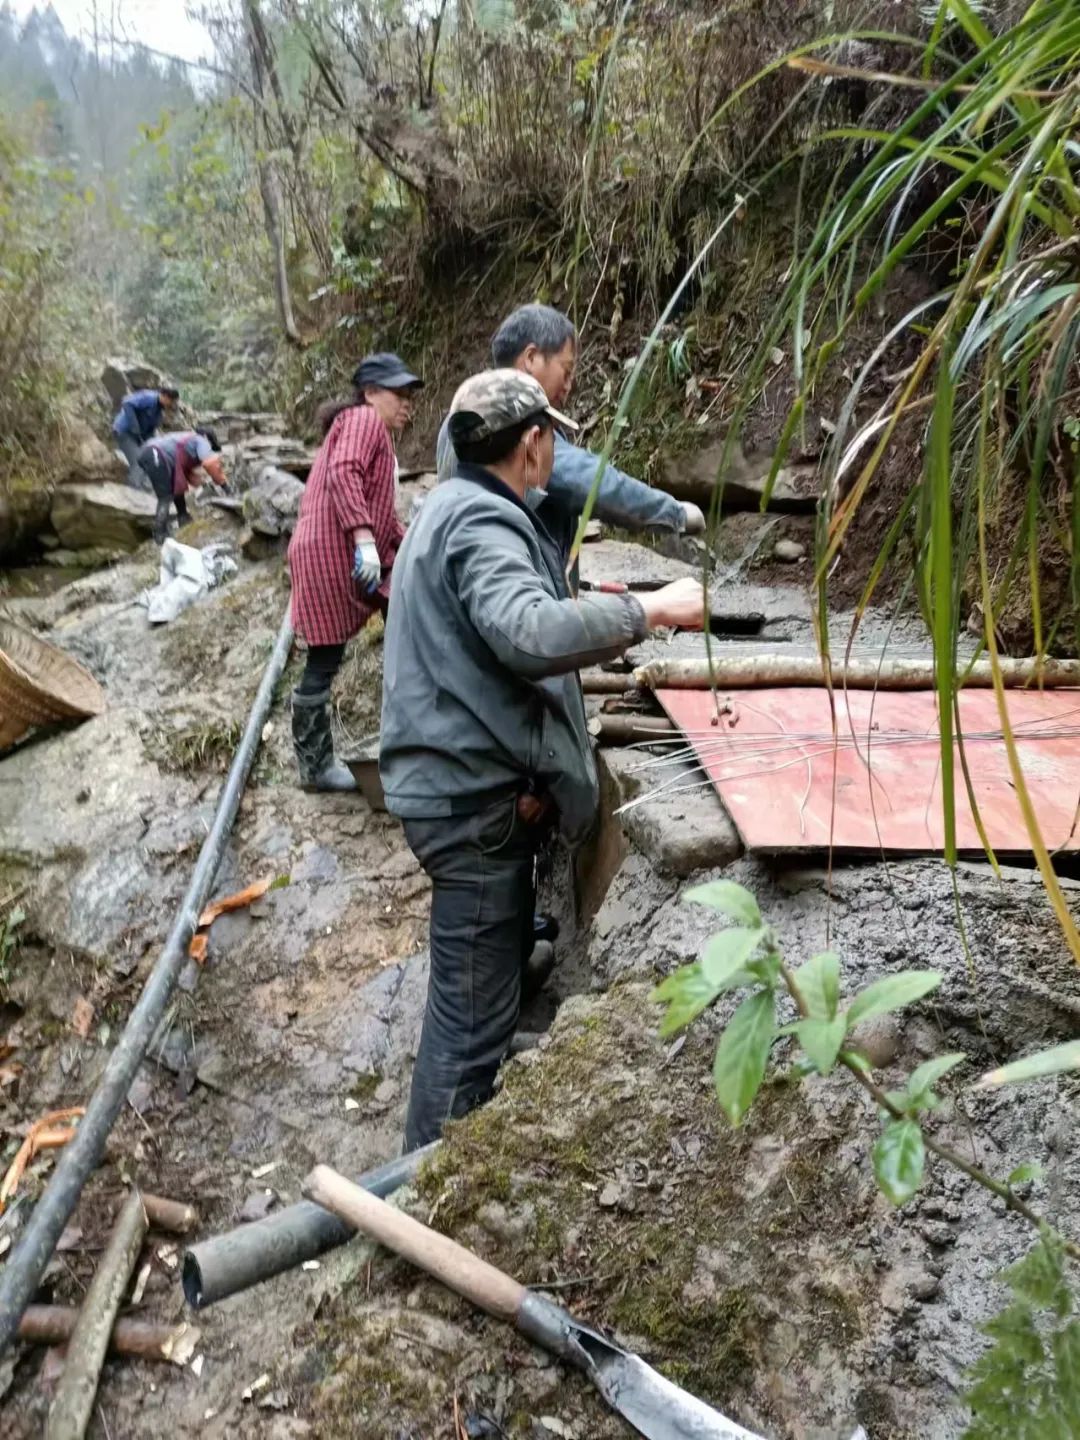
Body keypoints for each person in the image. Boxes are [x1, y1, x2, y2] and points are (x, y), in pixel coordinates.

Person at [381, 370, 706, 1151]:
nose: (553, 447)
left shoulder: (455, 507)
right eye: (551, 435)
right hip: (471, 810)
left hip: (456, 790)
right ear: (533, 444)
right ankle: (424, 1185)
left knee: (471, 994)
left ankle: (439, 1152)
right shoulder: (483, 524)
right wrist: (649, 611)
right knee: (468, 1025)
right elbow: (526, 633)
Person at [435, 303, 706, 561]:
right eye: (565, 371)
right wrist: (674, 513)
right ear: (531, 358)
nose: (568, 386)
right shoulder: (513, 423)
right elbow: (587, 479)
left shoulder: (460, 419)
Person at [288, 351, 423, 792]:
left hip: (333, 549)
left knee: (397, 620)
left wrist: (409, 540)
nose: (407, 404)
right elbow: (345, 474)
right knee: (327, 657)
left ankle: (405, 731)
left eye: (410, 396)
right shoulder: (364, 421)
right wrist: (365, 540)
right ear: (369, 393)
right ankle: (316, 767)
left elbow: (380, 508)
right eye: (398, 394)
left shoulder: (362, 428)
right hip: (336, 552)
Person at [136, 427, 227, 544]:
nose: (209, 450)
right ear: (207, 438)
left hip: (148, 452)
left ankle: (183, 517)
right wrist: (224, 485)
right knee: (165, 496)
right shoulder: (200, 440)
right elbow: (210, 464)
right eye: (210, 447)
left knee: (175, 486)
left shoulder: (185, 441)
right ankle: (160, 535)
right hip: (154, 453)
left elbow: (182, 480)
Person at [113, 386, 181, 487]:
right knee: (138, 463)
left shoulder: (159, 411)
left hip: (138, 437)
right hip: (124, 432)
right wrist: (134, 426)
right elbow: (127, 403)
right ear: (165, 397)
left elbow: (151, 431)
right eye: (171, 401)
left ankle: (142, 487)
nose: (171, 405)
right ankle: (133, 491)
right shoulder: (148, 397)